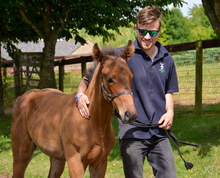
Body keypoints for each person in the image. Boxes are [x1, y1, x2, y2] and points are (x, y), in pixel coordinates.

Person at [75, 6, 179, 178]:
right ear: (136, 28)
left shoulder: (166, 58)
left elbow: (168, 90)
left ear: (159, 31)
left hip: (159, 133)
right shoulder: (121, 57)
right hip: (132, 133)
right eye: (142, 31)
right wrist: (80, 95)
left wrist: (170, 112)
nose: (147, 37)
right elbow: (87, 80)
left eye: (152, 33)